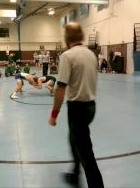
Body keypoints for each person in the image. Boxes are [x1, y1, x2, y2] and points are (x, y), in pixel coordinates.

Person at [48, 22, 104, 188]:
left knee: (86, 153)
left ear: (66, 38)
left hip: (77, 109)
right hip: (90, 107)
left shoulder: (68, 56)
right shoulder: (91, 54)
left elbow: (60, 88)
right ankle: (75, 174)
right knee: (74, 140)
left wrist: (54, 114)